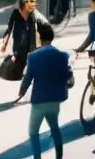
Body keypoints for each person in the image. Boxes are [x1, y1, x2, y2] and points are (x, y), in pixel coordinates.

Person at [17, 24, 71, 159]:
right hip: (56, 100)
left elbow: (28, 77)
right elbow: (67, 78)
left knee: (33, 132)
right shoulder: (63, 55)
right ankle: (59, 157)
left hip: (39, 101)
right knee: (54, 127)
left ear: (40, 38)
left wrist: (22, 91)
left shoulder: (34, 56)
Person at [0, 0, 51, 81]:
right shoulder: (17, 13)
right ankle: (22, 72)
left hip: (28, 38)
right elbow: (10, 27)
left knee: (27, 55)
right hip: (20, 38)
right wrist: (5, 40)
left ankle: (27, 72)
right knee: (21, 55)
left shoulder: (32, 14)